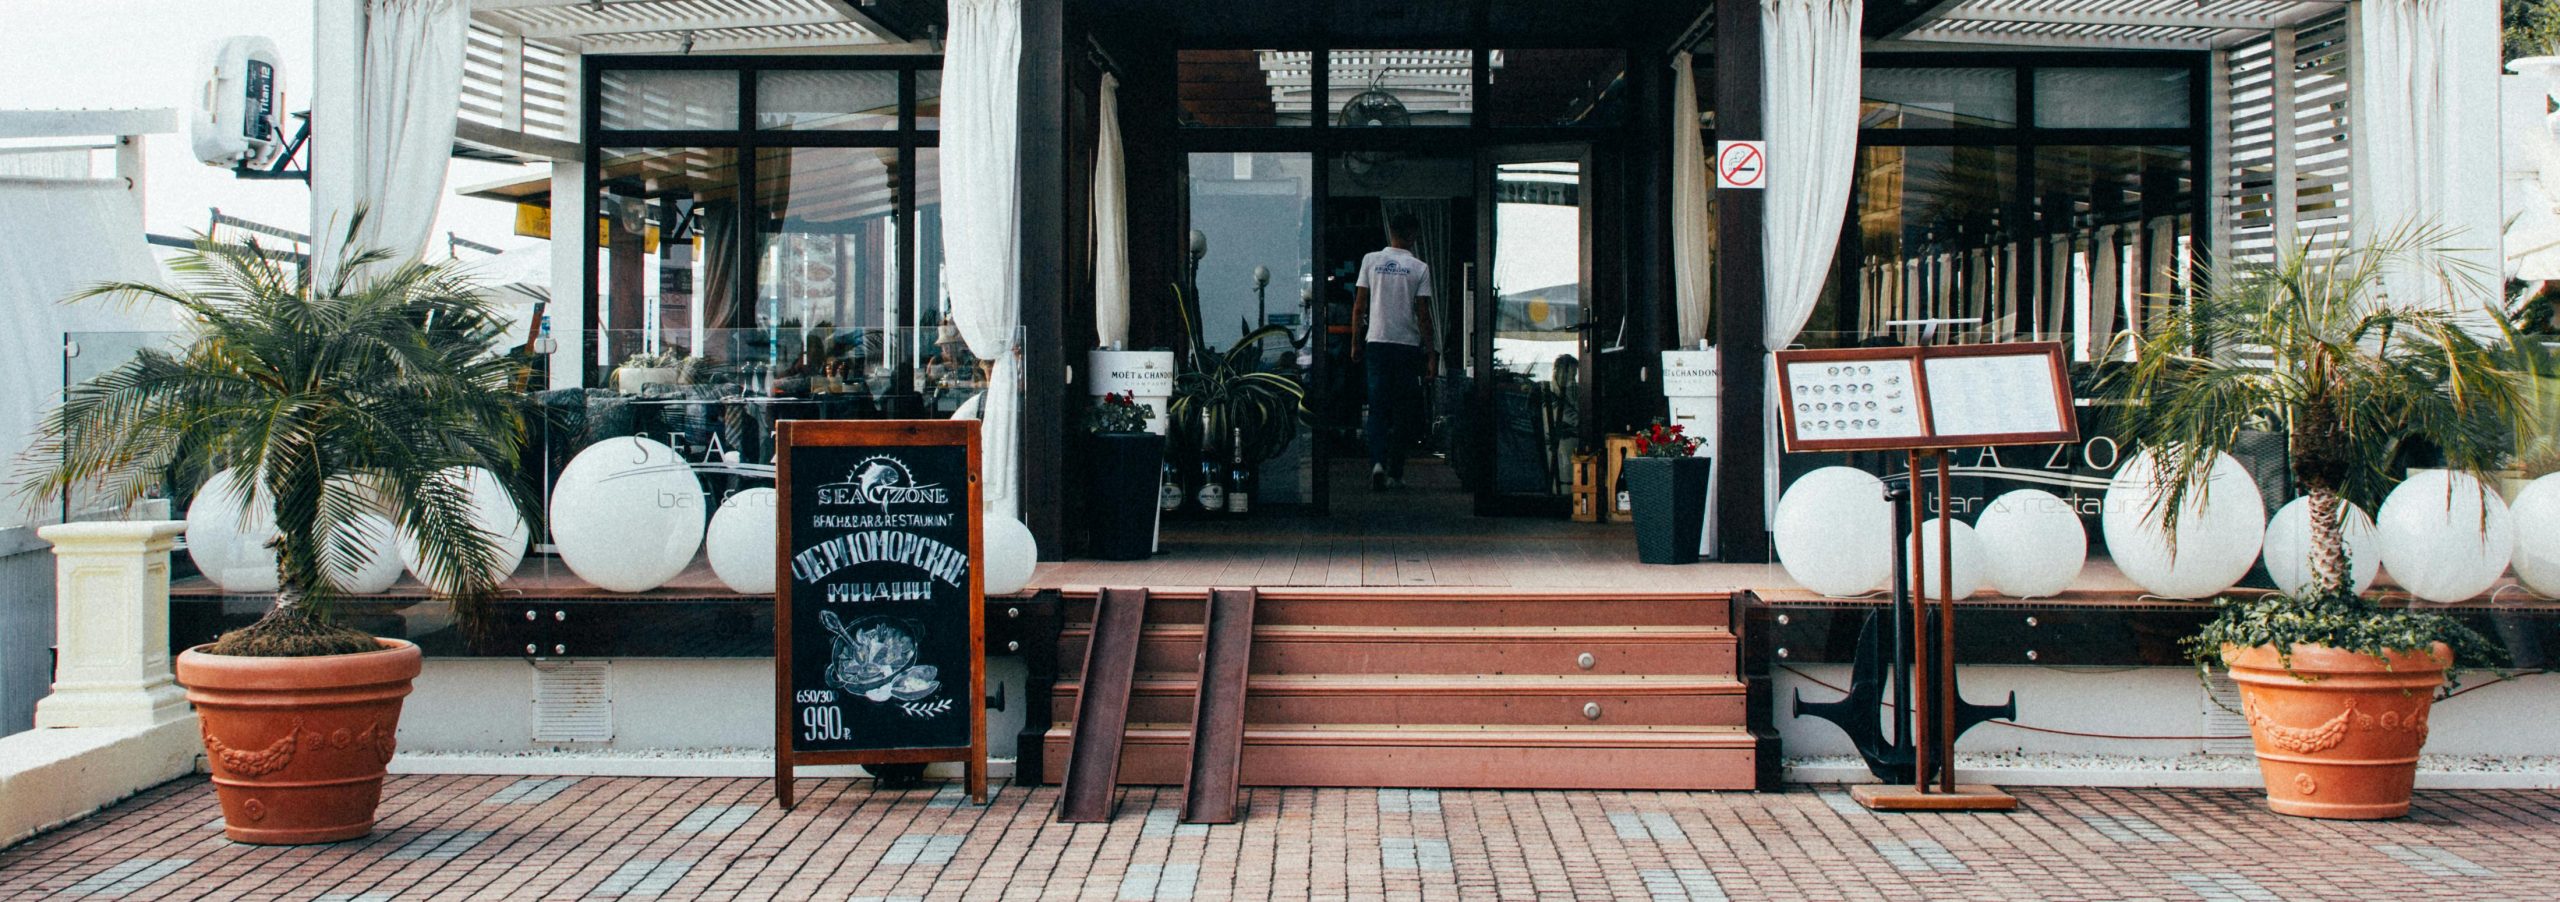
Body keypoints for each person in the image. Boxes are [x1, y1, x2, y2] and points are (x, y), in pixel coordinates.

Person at [1351, 213, 1434, 490]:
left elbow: (1359, 306)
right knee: (1403, 412)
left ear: (1391, 231)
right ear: (1413, 236)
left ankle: (1377, 462)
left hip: (1377, 341)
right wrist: (1432, 354)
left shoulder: (1370, 261)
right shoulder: (1419, 268)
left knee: (1377, 407)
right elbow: (1423, 315)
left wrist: (1355, 342)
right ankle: (1395, 471)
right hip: (1406, 346)